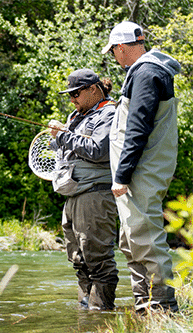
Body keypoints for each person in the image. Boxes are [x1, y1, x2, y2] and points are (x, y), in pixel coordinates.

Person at [102, 21, 181, 312]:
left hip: (140, 174)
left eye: (113, 52)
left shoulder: (146, 73)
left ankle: (162, 308)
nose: (114, 57)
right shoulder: (148, 71)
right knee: (131, 239)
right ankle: (143, 307)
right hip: (141, 173)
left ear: (121, 48)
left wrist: (121, 176)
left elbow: (138, 128)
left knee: (146, 238)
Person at [48, 68, 119, 310]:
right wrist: (57, 137)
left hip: (97, 194)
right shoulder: (76, 115)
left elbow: (98, 150)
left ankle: (101, 315)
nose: (72, 99)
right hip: (74, 195)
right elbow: (64, 149)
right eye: (69, 95)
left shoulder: (109, 113)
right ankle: (85, 313)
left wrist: (63, 136)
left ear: (93, 89)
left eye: (76, 93)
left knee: (98, 260)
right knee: (79, 260)